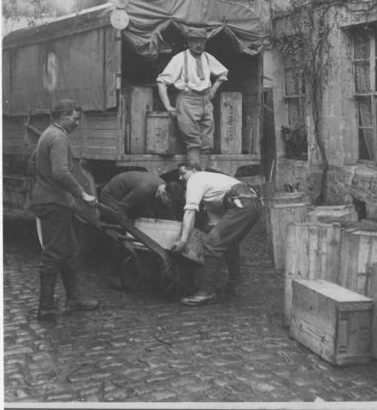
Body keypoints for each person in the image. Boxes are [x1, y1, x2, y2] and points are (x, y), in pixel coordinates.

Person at [29, 100, 100, 321]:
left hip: (52, 199)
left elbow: (32, 163)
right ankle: (46, 307)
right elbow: (60, 172)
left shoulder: (48, 134)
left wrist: (43, 182)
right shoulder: (58, 137)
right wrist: (82, 193)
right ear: (63, 117)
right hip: (54, 203)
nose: (78, 123)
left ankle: (73, 299)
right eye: (75, 118)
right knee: (54, 254)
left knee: (70, 250)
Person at [171, 161, 262, 306]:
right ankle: (234, 286)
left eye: (183, 173)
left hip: (243, 202)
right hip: (253, 204)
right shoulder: (210, 192)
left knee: (212, 244)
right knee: (228, 243)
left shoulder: (196, 178)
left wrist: (183, 241)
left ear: (194, 170)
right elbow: (215, 225)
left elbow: (189, 212)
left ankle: (206, 292)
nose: (181, 178)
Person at [156, 27, 228, 165]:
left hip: (206, 101)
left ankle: (203, 179)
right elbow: (161, 81)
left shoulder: (207, 57)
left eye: (202, 42)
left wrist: (213, 90)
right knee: (194, 143)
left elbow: (223, 72)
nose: (199, 45)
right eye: (195, 42)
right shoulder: (179, 58)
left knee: (207, 144)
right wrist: (168, 106)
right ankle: (195, 179)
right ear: (189, 42)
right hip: (187, 100)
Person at [98, 170, 172, 221]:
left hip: (127, 194)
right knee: (120, 219)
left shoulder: (163, 186)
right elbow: (121, 208)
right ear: (165, 193)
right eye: (169, 203)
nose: (169, 205)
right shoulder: (145, 189)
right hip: (110, 195)